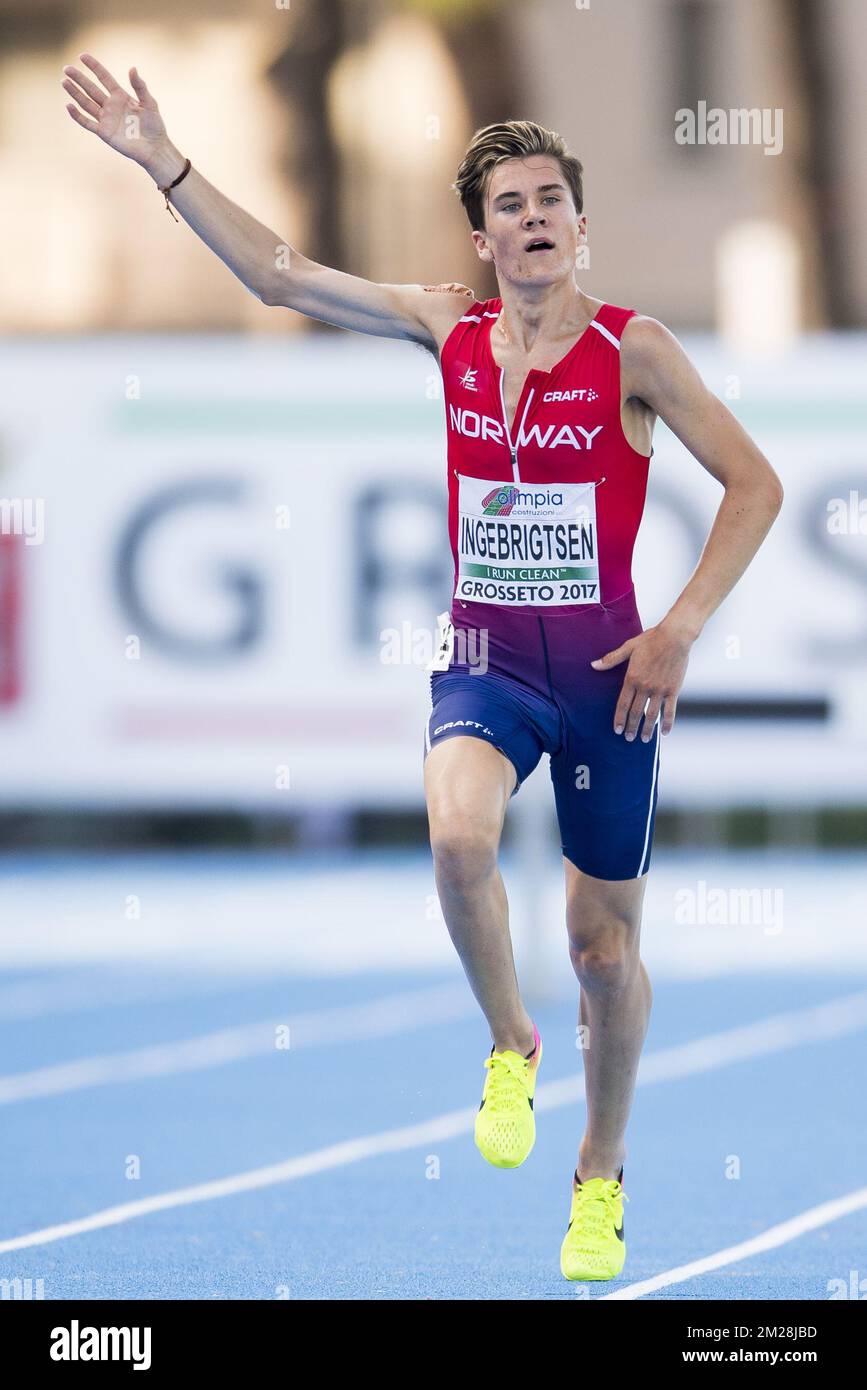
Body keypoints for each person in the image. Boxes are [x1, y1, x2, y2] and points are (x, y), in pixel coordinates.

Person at [62, 63, 783, 1282]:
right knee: (458, 839)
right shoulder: (444, 327)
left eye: (553, 197)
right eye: (512, 203)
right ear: (483, 232)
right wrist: (163, 165)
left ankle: (599, 1170)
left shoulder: (634, 350)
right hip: (490, 662)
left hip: (611, 676)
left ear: (581, 223)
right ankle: (511, 1041)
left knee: (605, 954)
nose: (536, 217)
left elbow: (757, 485)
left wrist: (680, 628)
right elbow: (282, 275)